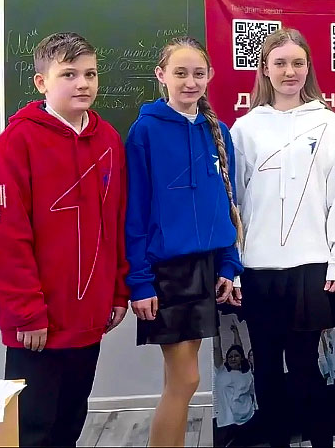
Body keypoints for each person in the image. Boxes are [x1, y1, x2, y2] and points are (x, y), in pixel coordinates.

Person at [0, 32, 129, 447]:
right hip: (37, 323)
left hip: (90, 316)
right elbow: (4, 237)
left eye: (90, 74)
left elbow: (116, 222)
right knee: (32, 429)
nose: (82, 84)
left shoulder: (108, 141)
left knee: (70, 420)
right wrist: (25, 312)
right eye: (69, 74)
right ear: (41, 82)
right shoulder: (18, 141)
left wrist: (118, 291)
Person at [230, 27, 335, 448]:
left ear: (308, 68)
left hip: (310, 267)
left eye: (297, 63)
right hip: (258, 270)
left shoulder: (328, 123)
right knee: (267, 370)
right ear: (264, 68)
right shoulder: (245, 128)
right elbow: (234, 204)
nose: (290, 72)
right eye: (280, 63)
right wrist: (234, 266)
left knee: (306, 368)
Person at [125, 36, 244, 447]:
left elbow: (226, 203)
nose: (190, 82)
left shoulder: (218, 132)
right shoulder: (145, 131)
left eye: (198, 73)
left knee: (181, 380)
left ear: (210, 76)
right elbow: (135, 212)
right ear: (161, 75)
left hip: (206, 268)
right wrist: (139, 282)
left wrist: (228, 264)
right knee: (186, 379)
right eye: (180, 73)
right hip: (166, 272)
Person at [213, 323, 260, 447]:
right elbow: (217, 348)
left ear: (241, 358)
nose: (233, 358)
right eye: (230, 356)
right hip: (227, 421)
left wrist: (236, 332)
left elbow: (240, 348)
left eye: (236, 356)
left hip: (247, 419)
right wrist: (215, 328)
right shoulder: (222, 370)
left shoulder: (247, 373)